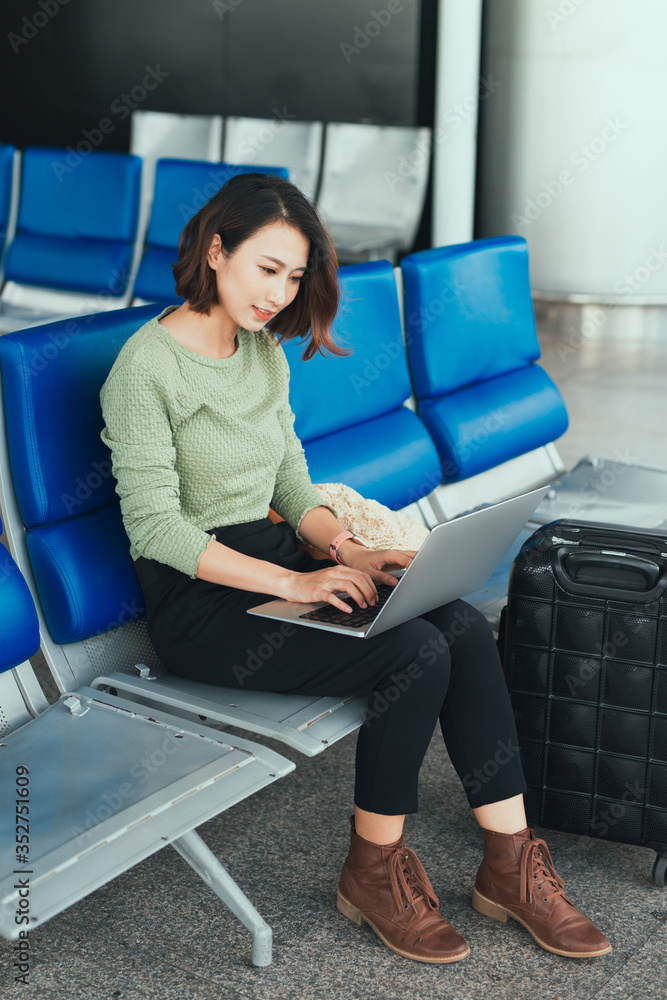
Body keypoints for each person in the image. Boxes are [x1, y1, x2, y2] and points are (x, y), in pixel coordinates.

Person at [100, 172, 611, 964]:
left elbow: (292, 487)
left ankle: (510, 864)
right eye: (266, 268)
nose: (279, 293)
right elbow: (155, 528)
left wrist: (348, 552)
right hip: (200, 603)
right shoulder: (144, 369)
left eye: (294, 276)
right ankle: (372, 872)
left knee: (460, 627)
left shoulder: (262, 351)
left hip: (278, 566)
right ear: (214, 250)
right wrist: (296, 584)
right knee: (413, 651)